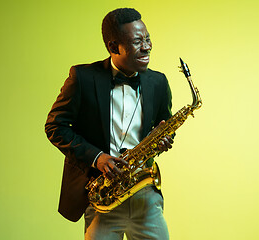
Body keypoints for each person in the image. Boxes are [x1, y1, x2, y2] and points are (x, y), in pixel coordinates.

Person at [45, 8, 174, 240]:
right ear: (114, 47)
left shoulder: (158, 82)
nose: (147, 47)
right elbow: (56, 126)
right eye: (137, 41)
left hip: (145, 195)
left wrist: (163, 140)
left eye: (147, 38)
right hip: (102, 196)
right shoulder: (82, 78)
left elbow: (164, 127)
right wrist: (97, 157)